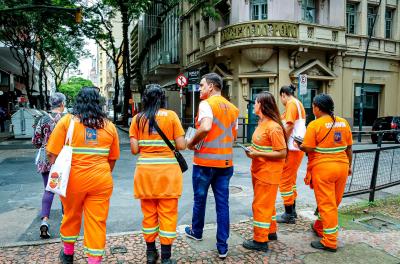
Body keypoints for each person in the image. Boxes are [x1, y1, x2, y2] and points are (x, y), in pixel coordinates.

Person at [47, 87, 120, 264]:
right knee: (97, 221)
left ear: (78, 102)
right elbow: (113, 158)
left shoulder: (67, 122)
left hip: (73, 179)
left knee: (71, 215)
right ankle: (94, 261)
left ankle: (68, 254)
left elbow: (51, 153)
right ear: (98, 103)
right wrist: (101, 172)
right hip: (101, 180)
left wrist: (58, 170)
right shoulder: (109, 126)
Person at [184, 73, 239, 259]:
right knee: (223, 204)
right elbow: (233, 137)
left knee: (200, 199)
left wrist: (191, 142)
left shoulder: (206, 104)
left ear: (212, 86)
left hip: (205, 163)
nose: (200, 88)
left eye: (202, 85)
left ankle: (197, 231)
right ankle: (222, 246)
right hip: (225, 163)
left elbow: (206, 127)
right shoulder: (233, 108)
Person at [129, 84, 186, 264]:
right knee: (168, 214)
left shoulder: (137, 119)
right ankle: (167, 257)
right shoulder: (171, 116)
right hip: (168, 174)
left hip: (145, 174)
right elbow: (182, 145)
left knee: (149, 214)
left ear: (145, 99)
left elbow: (134, 149)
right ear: (162, 98)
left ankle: (151, 252)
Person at [298, 94, 352, 252]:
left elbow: (308, 148)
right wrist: (349, 166)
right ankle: (320, 227)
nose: (313, 108)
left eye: (313, 106)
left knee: (327, 205)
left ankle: (329, 241)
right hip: (342, 166)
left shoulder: (314, 125)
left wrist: (299, 145)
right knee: (333, 202)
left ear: (317, 108)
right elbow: (349, 148)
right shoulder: (343, 122)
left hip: (323, 169)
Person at [242, 91, 287, 252]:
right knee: (267, 205)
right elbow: (263, 146)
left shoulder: (273, 127)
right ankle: (270, 231)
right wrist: (252, 150)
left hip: (268, 173)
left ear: (262, 105)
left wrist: (257, 153)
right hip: (259, 171)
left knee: (260, 206)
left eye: (255, 102)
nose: (253, 105)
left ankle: (260, 240)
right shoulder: (263, 123)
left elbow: (282, 153)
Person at [32, 92, 66, 239]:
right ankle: (66, 221)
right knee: (64, 190)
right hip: (62, 159)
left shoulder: (42, 118)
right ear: (62, 104)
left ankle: (44, 221)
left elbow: (36, 141)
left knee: (49, 190)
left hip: (46, 158)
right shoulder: (66, 119)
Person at [277, 84, 306, 224]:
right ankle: (292, 211)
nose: (281, 101)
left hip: (292, 148)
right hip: (297, 148)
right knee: (291, 180)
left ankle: (289, 214)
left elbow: (288, 125)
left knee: (284, 181)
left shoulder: (291, 104)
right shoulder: (297, 103)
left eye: (281, 97)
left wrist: (281, 142)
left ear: (283, 94)